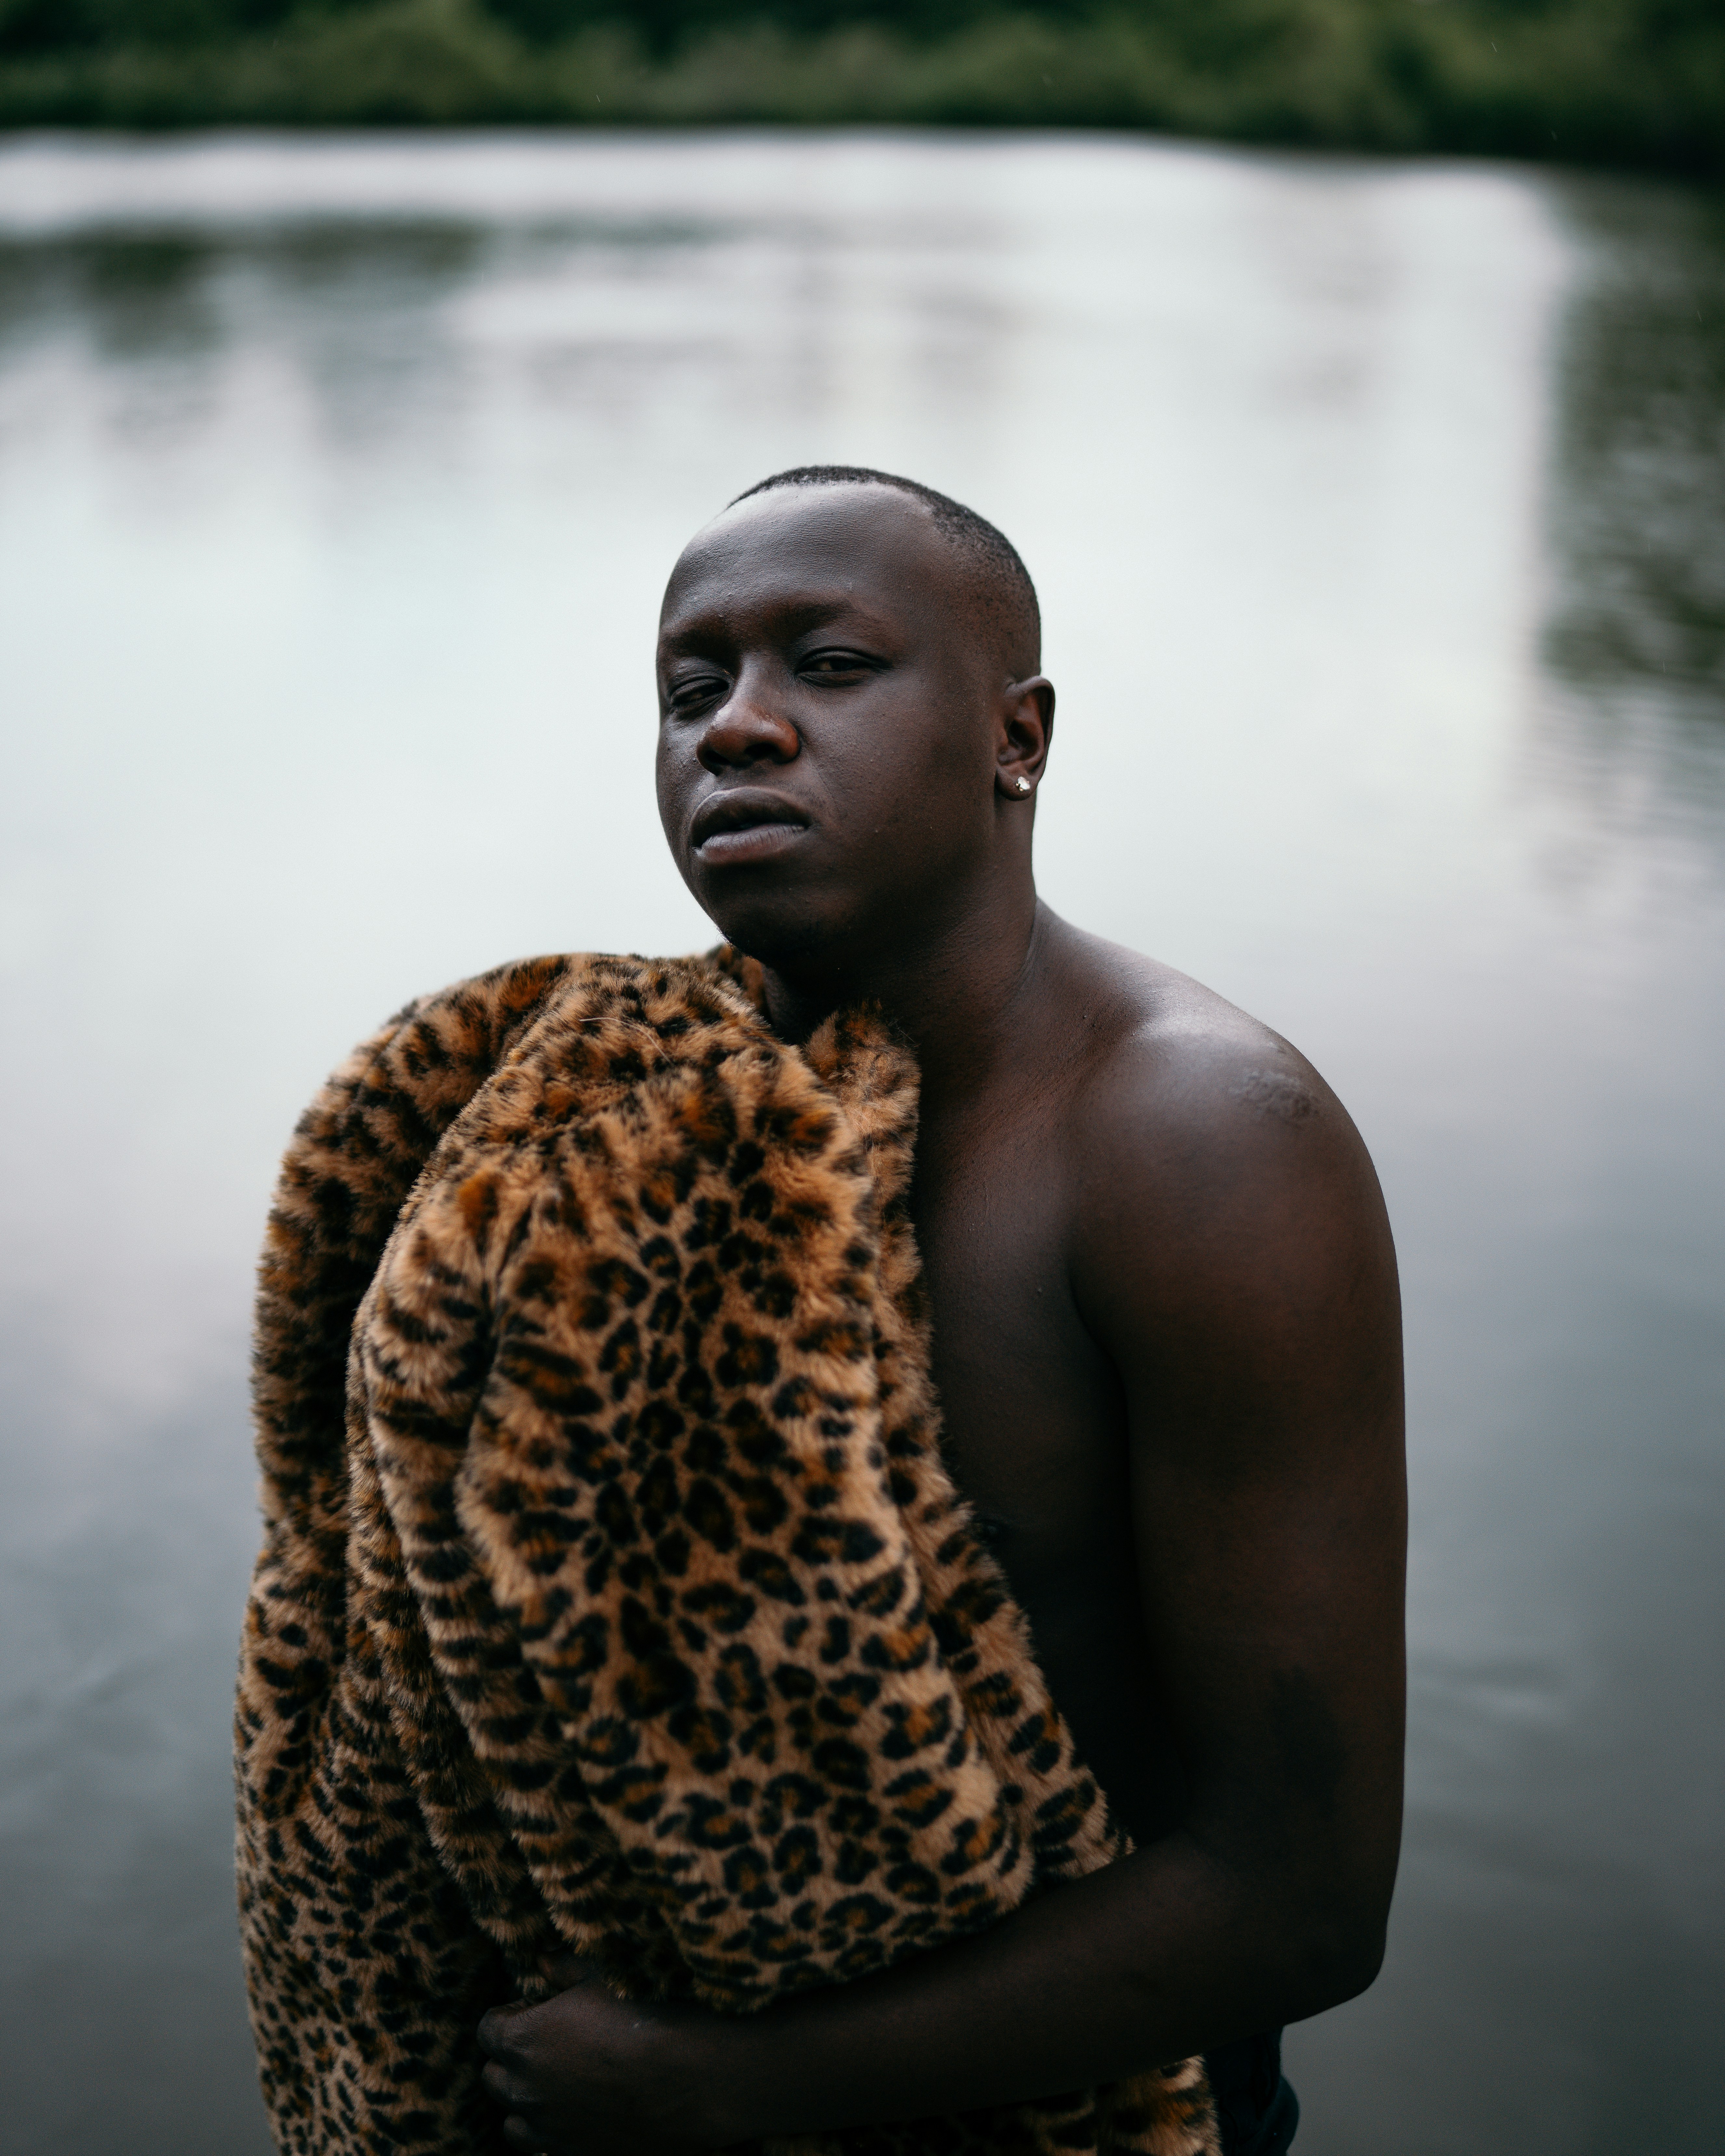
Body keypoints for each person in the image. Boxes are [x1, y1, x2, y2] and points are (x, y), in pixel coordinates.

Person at [468, 467, 1407, 2154]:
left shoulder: (1192, 1141)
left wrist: (715, 2086)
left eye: (826, 666)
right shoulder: (627, 1116)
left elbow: (1300, 1897)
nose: (737, 729)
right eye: (691, 690)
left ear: (1015, 737)